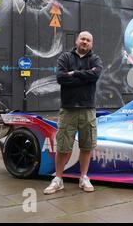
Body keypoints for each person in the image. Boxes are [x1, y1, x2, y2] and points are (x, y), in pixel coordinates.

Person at [44, 31, 103, 194]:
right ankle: (58, 178)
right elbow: (61, 78)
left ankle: (83, 177)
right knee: (63, 146)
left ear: (91, 44)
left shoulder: (95, 59)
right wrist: (84, 76)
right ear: (77, 41)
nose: (85, 42)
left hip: (87, 110)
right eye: (82, 39)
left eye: (88, 40)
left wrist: (74, 74)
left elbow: (95, 75)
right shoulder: (65, 58)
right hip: (68, 109)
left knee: (87, 145)